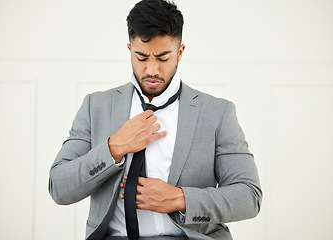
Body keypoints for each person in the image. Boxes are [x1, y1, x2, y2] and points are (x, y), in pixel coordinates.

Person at [48, 0, 262, 239]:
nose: (151, 70)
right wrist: (114, 148)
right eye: (141, 57)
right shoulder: (95, 106)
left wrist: (180, 198)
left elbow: (249, 196)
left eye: (163, 58)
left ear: (180, 53)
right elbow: (59, 187)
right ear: (130, 50)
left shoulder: (217, 112)